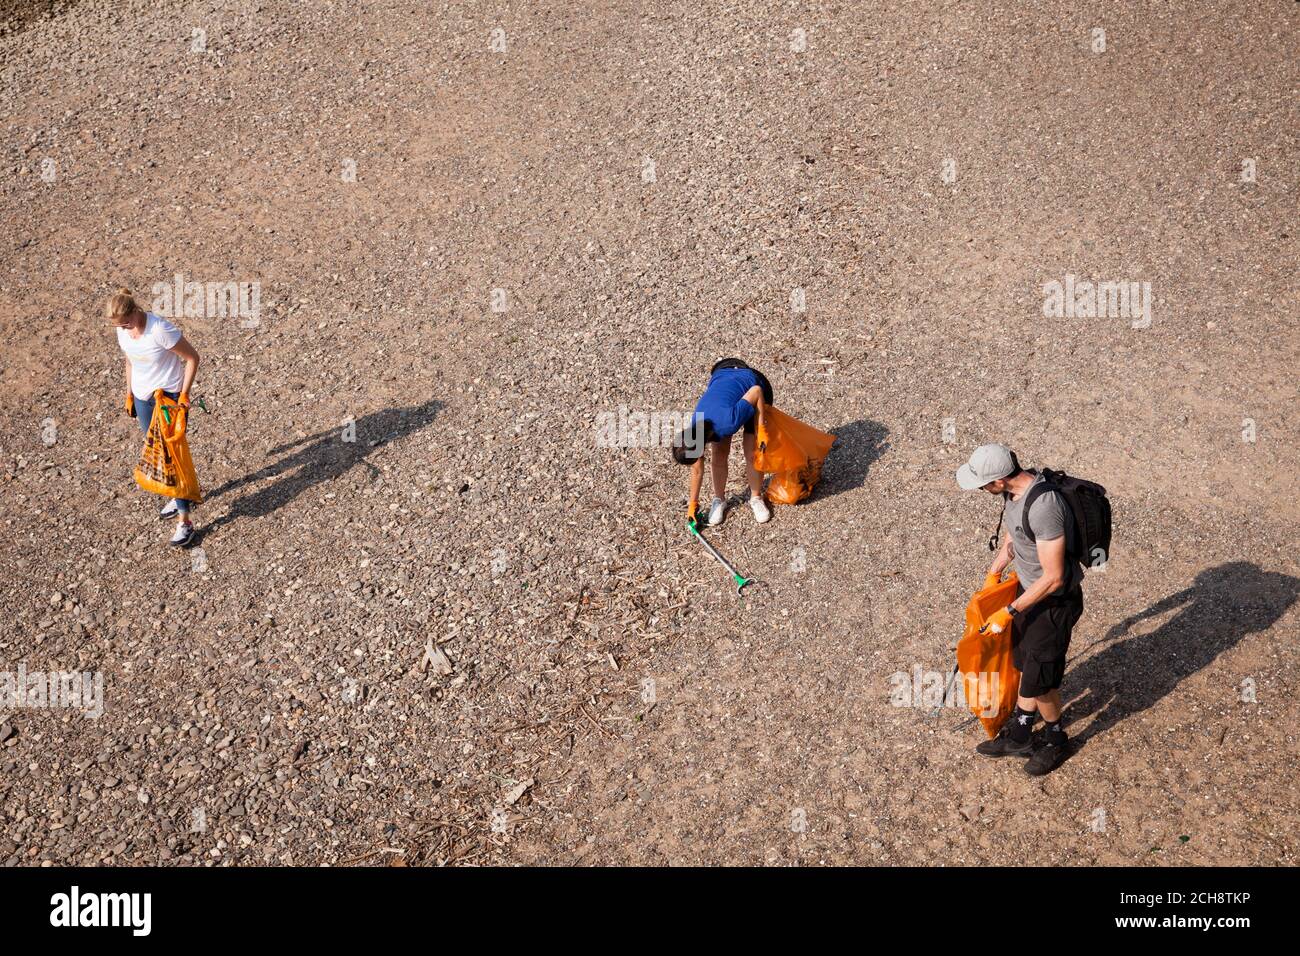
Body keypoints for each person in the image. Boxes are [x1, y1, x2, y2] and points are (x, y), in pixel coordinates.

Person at [956, 443, 1085, 775]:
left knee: (1041, 681)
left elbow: (1055, 578)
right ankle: (1020, 735)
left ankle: (1057, 740)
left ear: (999, 480)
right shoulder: (1012, 496)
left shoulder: (1044, 506)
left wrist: (1008, 612)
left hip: (1053, 604)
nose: (981, 490)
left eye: (983, 484)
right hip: (1027, 594)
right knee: (1024, 665)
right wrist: (994, 572)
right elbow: (1015, 538)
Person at [109, 288, 201, 547]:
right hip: (142, 398)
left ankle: (185, 522)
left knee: (170, 455)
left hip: (167, 399)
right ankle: (179, 494)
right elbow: (129, 362)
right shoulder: (123, 331)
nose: (125, 329)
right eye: (120, 326)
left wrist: (184, 394)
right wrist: (128, 395)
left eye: (126, 323)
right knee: (159, 453)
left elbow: (193, 358)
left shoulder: (160, 329)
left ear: (134, 311)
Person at [671, 359, 773, 527]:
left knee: (751, 452)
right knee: (719, 454)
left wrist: (762, 429)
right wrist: (692, 506)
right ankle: (719, 500)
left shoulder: (728, 422)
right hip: (722, 374)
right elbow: (697, 470)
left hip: (754, 385)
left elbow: (756, 391)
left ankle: (755, 497)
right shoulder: (694, 432)